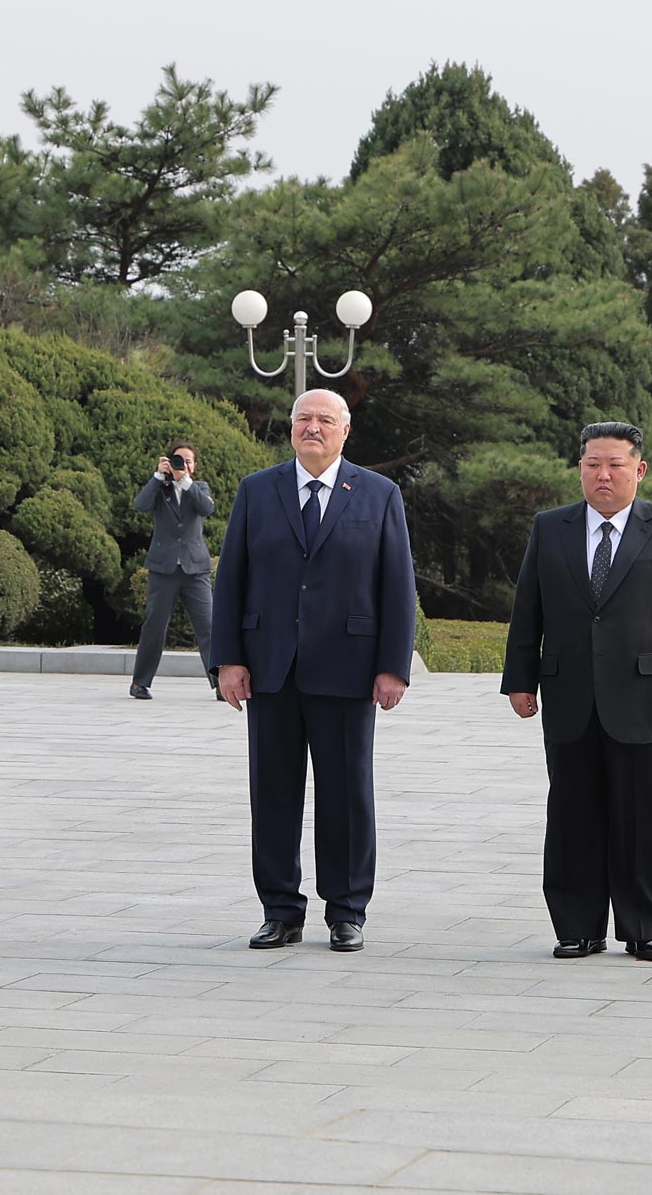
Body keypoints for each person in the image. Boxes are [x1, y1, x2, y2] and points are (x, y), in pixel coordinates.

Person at [212, 388, 416, 954]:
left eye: (326, 420)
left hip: (348, 670)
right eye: (305, 418)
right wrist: (228, 659)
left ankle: (346, 910)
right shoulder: (258, 490)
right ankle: (280, 910)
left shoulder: (379, 494)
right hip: (270, 670)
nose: (313, 428)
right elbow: (232, 578)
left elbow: (397, 585)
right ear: (292, 427)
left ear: (345, 431)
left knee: (347, 795)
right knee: (273, 793)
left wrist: (392, 667)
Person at [502, 421, 652, 963]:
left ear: (638, 470)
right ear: (580, 468)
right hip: (568, 695)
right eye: (593, 463)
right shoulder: (551, 528)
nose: (603, 474)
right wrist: (520, 680)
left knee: (645, 817)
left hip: (646, 697)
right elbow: (529, 610)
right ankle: (578, 926)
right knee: (573, 815)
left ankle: (645, 928)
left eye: (615, 464)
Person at [129, 441, 219, 701]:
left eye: (188, 461)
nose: (183, 465)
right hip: (163, 568)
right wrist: (159, 476)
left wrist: (185, 480)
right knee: (154, 627)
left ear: (195, 466)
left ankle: (220, 684)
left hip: (195, 569)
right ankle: (140, 682)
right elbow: (141, 505)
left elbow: (207, 508)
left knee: (209, 627)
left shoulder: (199, 487)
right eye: (178, 460)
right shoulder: (160, 488)